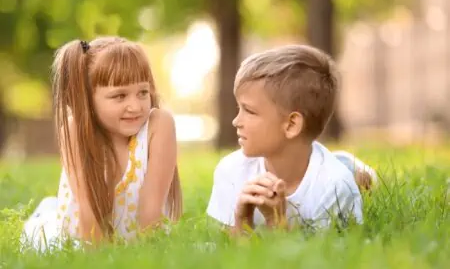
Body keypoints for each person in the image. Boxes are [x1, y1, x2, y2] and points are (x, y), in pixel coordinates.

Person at [21, 36, 182, 251]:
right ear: (88, 99)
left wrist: (145, 256)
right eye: (119, 96)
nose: (135, 106)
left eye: (142, 92)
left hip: (140, 239)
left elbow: (151, 212)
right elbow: (88, 216)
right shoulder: (76, 130)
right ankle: (45, 211)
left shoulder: (159, 125)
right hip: (85, 238)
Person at [206, 44, 377, 233]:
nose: (236, 121)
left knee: (357, 178)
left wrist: (277, 222)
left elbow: (321, 258)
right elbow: (235, 256)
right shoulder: (231, 170)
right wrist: (242, 220)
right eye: (239, 109)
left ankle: (355, 170)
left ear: (291, 125)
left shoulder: (336, 186)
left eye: (249, 111)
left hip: (333, 170)